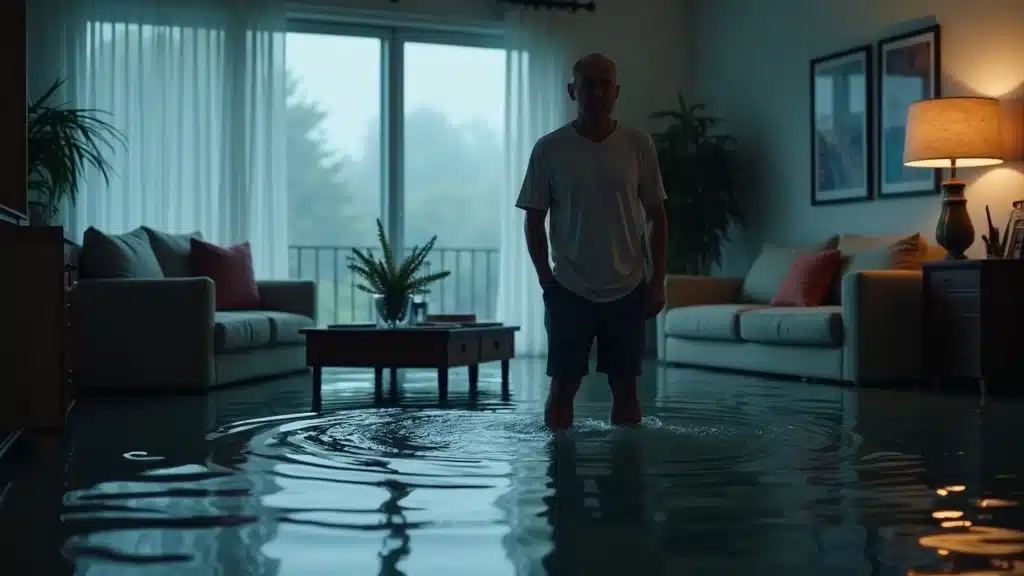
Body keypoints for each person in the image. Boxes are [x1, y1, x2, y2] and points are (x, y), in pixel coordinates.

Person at [514, 53, 668, 430]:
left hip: (628, 287)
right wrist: (544, 279)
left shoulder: (638, 144)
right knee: (562, 388)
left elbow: (657, 218)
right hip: (569, 287)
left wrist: (657, 281)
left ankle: (625, 479)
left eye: (605, 84)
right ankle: (561, 481)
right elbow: (533, 220)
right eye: (588, 84)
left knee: (627, 389)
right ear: (572, 90)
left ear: (617, 91)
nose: (596, 92)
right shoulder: (549, 148)